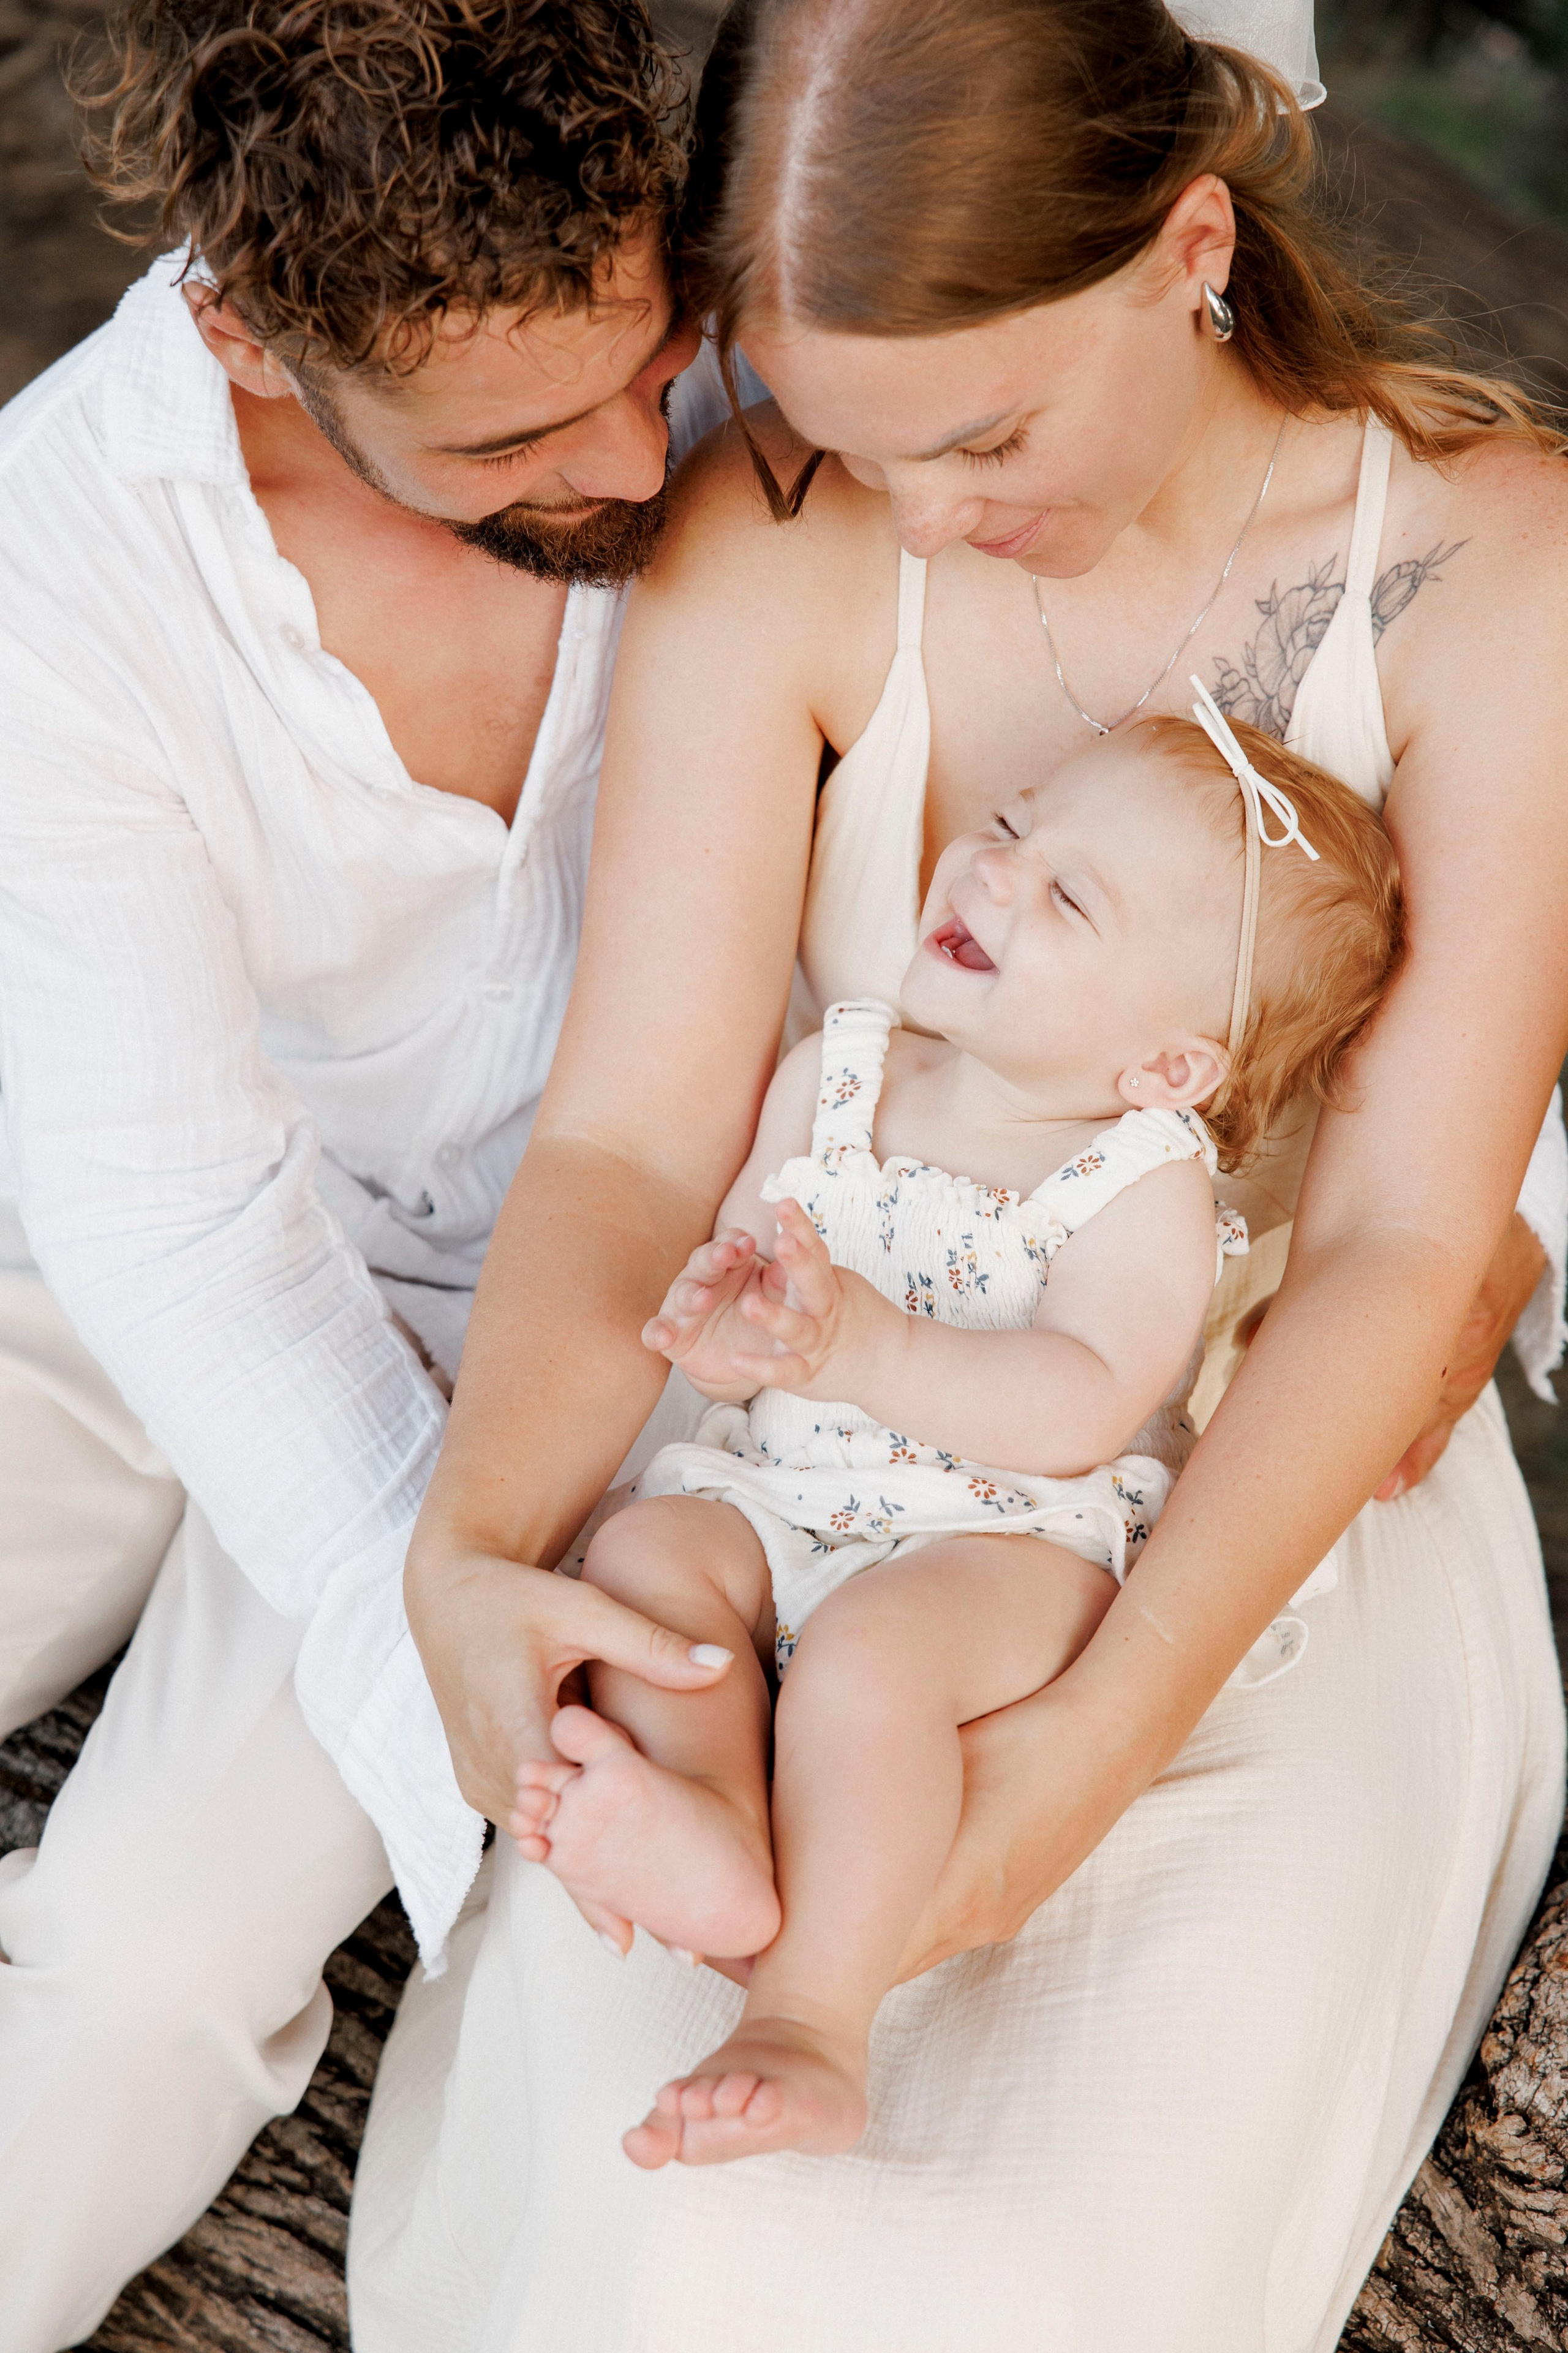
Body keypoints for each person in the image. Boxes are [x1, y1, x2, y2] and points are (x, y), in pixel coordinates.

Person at [353, 0, 1568, 2347]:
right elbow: (625, 1133)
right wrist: (477, 1552)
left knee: (1030, 2266)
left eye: (986, 431)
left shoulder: (1502, 578)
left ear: (1187, 247)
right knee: (680, 2234)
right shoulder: (771, 530)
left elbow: (1411, 1244)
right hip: (786, 1488)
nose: (918, 518)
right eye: (842, 437)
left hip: (1250, 1535)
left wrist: (1083, 1758)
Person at [0, 1, 758, 2342]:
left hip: (611, 1325)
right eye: (517, 434)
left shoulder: (756, 365)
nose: (646, 454)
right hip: (190, 1233)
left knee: (135, 1980)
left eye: (658, 358)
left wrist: (473, 1700)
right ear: (247, 332)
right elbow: (184, 1233)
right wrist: (435, 1655)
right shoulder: (59, 560)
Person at [514, 710, 1403, 2169]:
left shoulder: (1134, 1181)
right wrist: (726, 1320)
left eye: (1066, 898)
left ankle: (809, 2017)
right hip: (787, 1483)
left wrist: (866, 1345)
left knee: (870, 1663)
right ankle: (713, 1830)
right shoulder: (837, 1074)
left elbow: (1078, 1403)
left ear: (1169, 1067)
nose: (990, 876)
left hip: (999, 1538)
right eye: (1007, 828)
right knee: (648, 1552)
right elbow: (748, 1256)